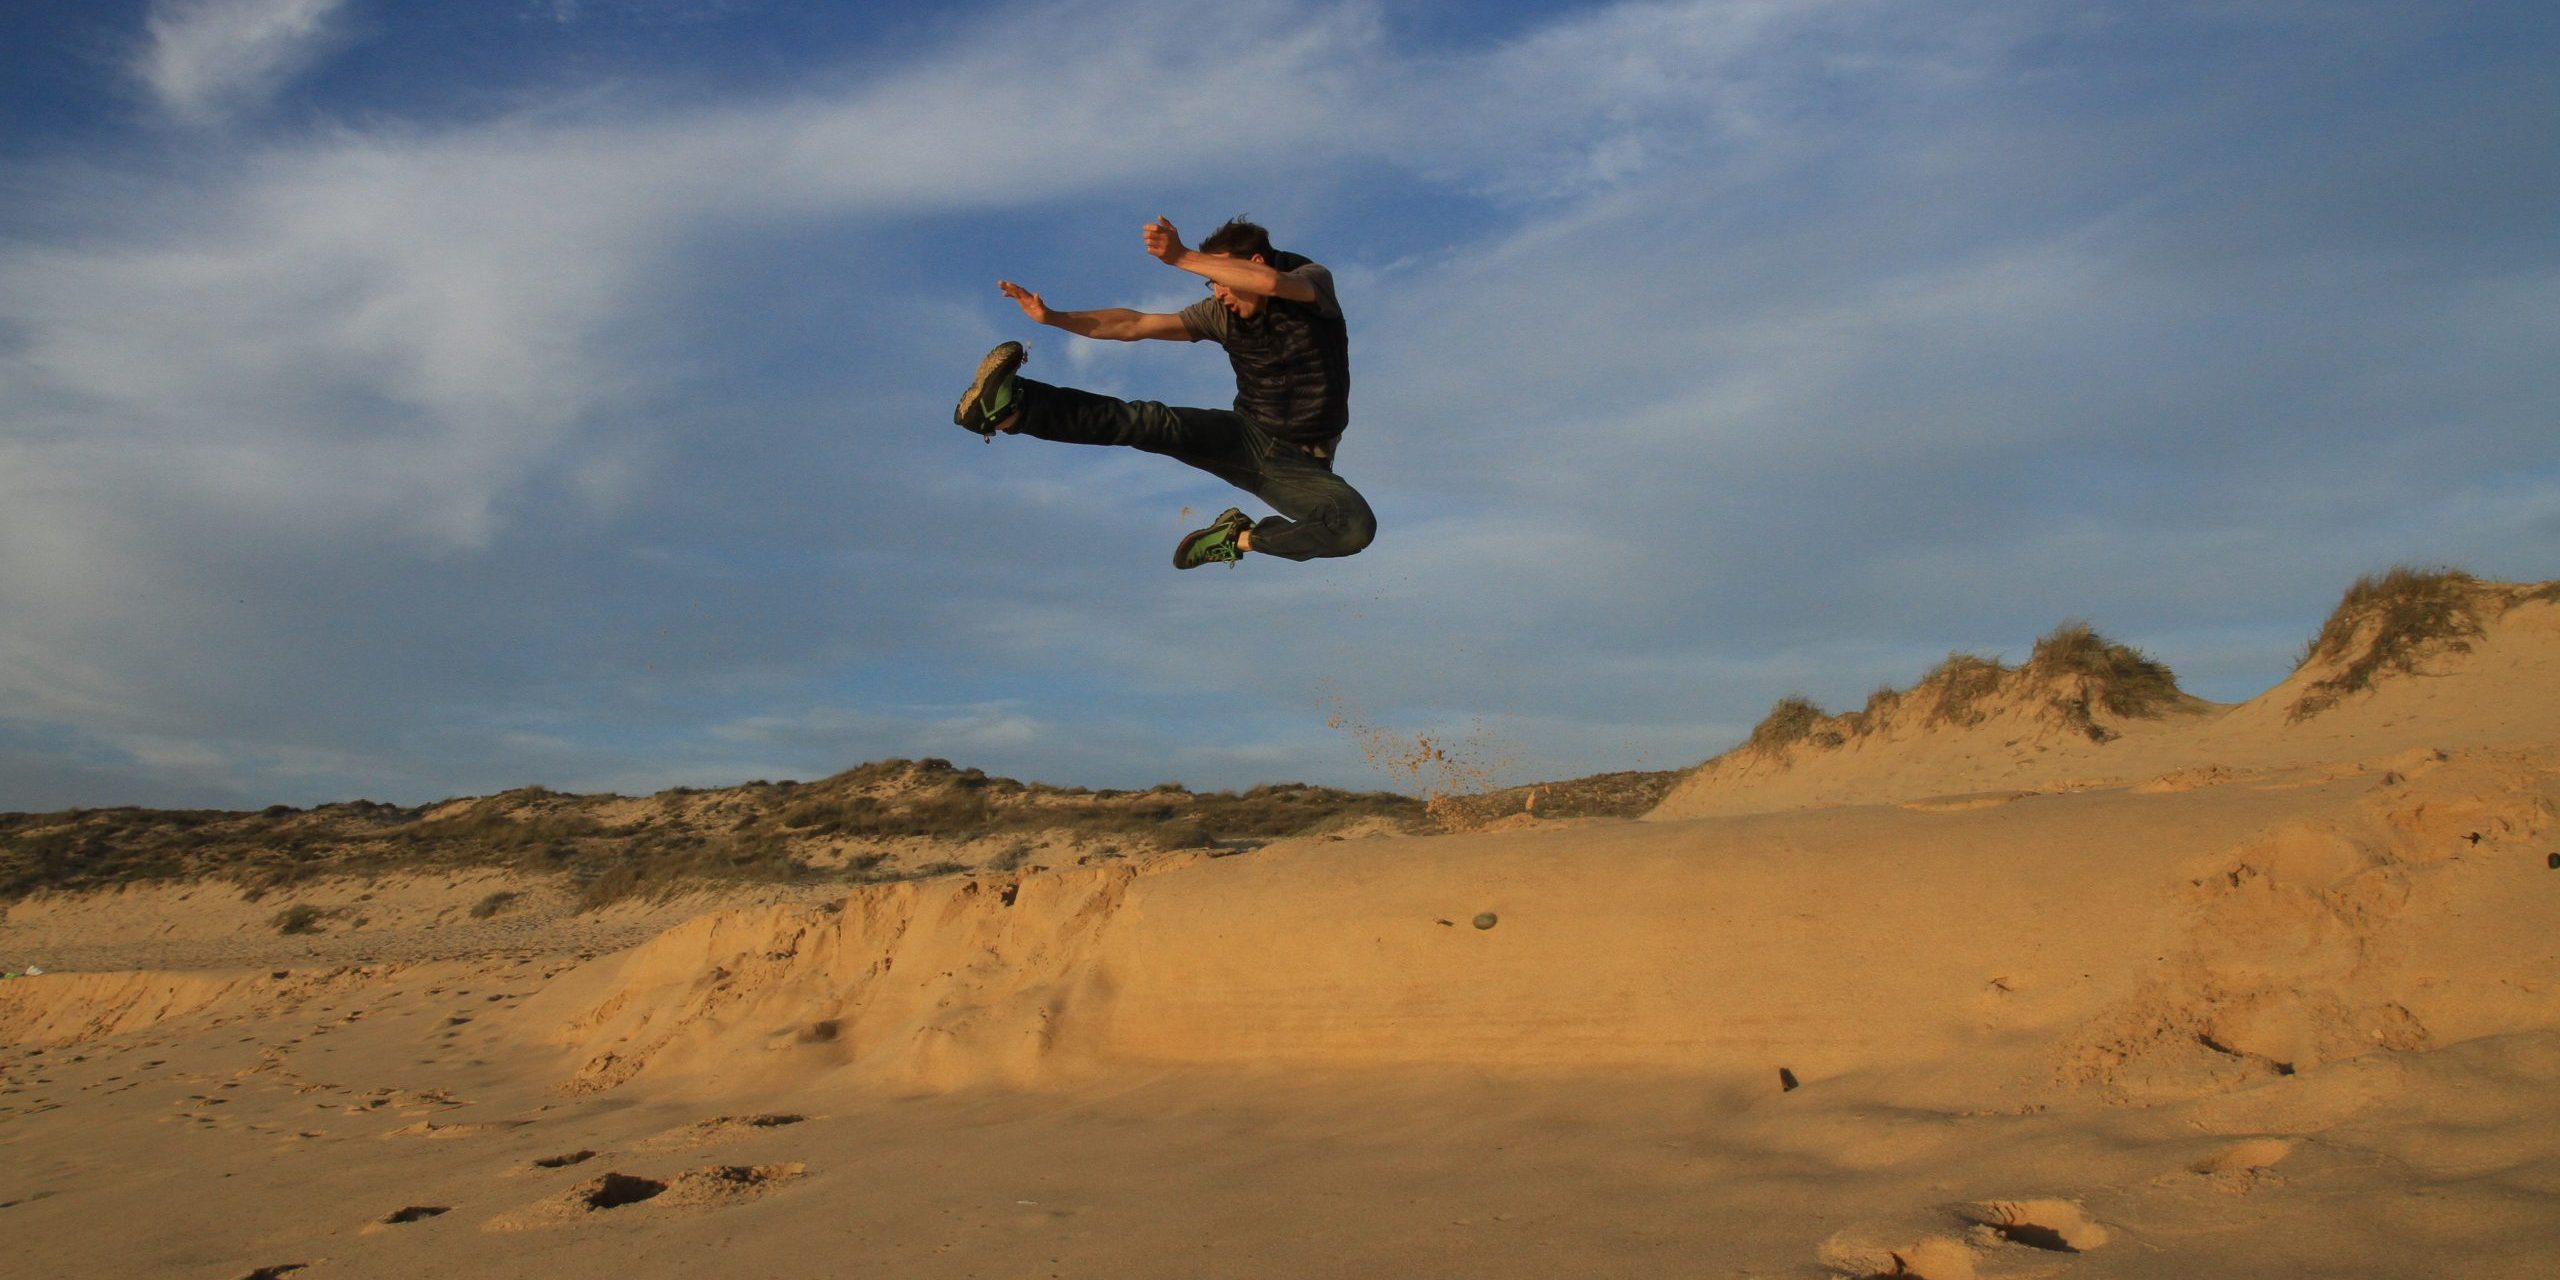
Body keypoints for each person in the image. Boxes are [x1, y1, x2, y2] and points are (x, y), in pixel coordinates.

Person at [953, 216, 1376, 569]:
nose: (1219, 293)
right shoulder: (1219, 314)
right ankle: (1012, 408)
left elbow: (1269, 283)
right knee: (1149, 422)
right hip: (1245, 436)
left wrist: (1182, 257)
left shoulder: (1312, 284)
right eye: (1211, 284)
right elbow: (1135, 325)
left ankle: (1238, 538)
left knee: (1353, 527)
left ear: (1255, 262)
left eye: (1222, 279)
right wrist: (1054, 318)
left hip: (1301, 465)